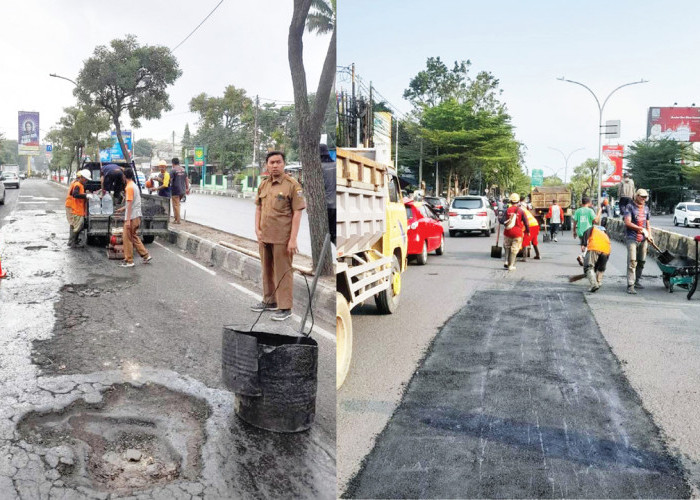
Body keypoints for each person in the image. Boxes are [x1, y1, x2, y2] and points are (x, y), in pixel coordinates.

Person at [252, 151, 306, 321]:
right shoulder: (263, 185)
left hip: (282, 237)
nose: (275, 165)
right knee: (266, 270)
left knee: (283, 272)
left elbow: (297, 213)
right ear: (266, 165)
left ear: (284, 164)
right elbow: (258, 208)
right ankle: (269, 301)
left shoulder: (292, 185)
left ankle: (285, 307)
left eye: (278, 162)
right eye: (271, 162)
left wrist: (293, 239)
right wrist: (257, 229)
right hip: (265, 235)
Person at [115, 168, 152, 267]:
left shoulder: (129, 187)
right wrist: (123, 209)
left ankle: (129, 261)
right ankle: (145, 255)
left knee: (127, 238)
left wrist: (127, 220)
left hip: (132, 217)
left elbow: (130, 203)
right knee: (133, 236)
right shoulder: (134, 185)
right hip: (137, 215)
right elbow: (131, 202)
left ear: (124, 176)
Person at [624, 188, 651, 294]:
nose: (644, 199)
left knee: (642, 261)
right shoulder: (630, 207)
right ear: (637, 196)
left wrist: (649, 234)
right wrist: (640, 229)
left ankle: (637, 281)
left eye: (645, 197)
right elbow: (627, 222)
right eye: (642, 196)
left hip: (643, 239)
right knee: (632, 261)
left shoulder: (646, 208)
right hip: (632, 237)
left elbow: (648, 223)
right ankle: (630, 285)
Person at [500, 193, 529, 271]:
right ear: (518, 201)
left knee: (507, 246)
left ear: (510, 201)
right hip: (517, 233)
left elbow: (502, 221)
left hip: (508, 232)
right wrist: (528, 231)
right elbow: (526, 222)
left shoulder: (507, 210)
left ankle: (506, 261)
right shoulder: (521, 211)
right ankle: (511, 265)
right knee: (514, 249)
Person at [65, 169, 91, 248]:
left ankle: (73, 241)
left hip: (73, 206)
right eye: (86, 179)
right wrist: (85, 195)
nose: (86, 181)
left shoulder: (78, 183)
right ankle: (73, 242)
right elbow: (75, 194)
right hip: (73, 207)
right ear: (82, 177)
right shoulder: (77, 185)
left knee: (74, 224)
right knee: (77, 225)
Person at [582, 224, 611, 293]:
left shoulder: (593, 229)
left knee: (588, 266)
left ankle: (594, 284)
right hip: (606, 250)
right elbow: (602, 264)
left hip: (594, 247)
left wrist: (584, 244)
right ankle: (598, 282)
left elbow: (585, 233)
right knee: (601, 268)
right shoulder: (606, 236)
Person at [572, 196, 598, 266]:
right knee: (588, 246)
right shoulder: (590, 211)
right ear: (589, 203)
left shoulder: (578, 211)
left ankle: (583, 259)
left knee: (583, 245)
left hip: (580, 231)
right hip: (588, 231)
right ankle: (581, 256)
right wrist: (598, 215)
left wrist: (574, 231)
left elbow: (574, 222)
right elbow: (595, 221)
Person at [320, 144, 336, 244]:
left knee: (324, 235)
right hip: (336, 205)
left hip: (325, 206)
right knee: (333, 234)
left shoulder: (319, 167)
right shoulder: (335, 165)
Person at [169, 157, 190, 224]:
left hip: (175, 190)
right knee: (178, 204)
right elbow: (186, 179)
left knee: (176, 205)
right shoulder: (183, 170)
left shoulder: (173, 170)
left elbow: (170, 180)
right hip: (182, 190)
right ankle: (176, 219)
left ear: (172, 163)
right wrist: (187, 188)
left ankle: (177, 220)